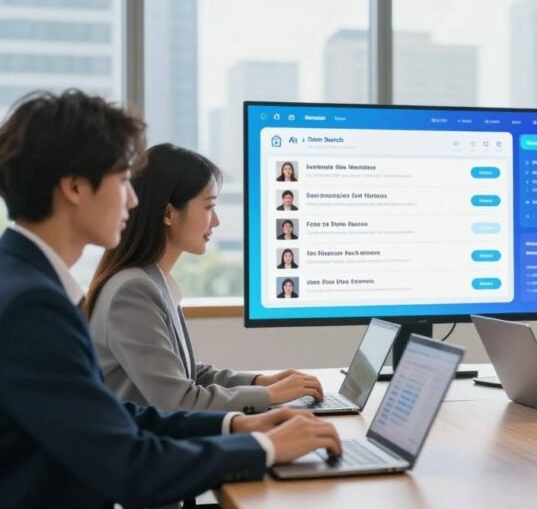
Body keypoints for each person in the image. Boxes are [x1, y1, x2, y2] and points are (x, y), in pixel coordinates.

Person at [0, 90, 340, 508]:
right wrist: (265, 448)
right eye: (123, 180)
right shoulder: (31, 305)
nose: (133, 199)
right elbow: (129, 465)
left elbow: (111, 417)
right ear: (74, 187)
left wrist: (238, 426)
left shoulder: (26, 283)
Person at [87, 144, 324, 413]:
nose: (217, 221)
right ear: (168, 213)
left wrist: (262, 382)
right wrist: (269, 395)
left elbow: (190, 375)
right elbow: (180, 400)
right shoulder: (133, 290)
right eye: (209, 206)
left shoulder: (152, 281)